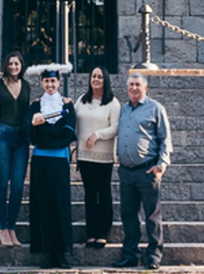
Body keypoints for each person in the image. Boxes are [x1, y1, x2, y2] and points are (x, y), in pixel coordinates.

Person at [115, 70, 171, 269]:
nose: (133, 88)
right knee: (129, 215)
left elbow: (165, 140)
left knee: (152, 216)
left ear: (145, 87)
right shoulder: (123, 109)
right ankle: (130, 255)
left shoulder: (155, 108)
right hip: (126, 172)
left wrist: (162, 164)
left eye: (137, 85)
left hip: (147, 171)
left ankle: (154, 256)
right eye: (131, 85)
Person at [25, 67, 78, 269]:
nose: (50, 85)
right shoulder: (35, 106)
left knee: (60, 205)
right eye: (46, 81)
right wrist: (46, 131)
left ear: (58, 83)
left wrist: (45, 131)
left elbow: (67, 134)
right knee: (43, 205)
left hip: (59, 162)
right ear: (41, 83)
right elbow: (31, 133)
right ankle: (47, 252)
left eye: (53, 82)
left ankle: (61, 253)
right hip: (40, 162)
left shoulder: (68, 106)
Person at [74, 66, 120, 248]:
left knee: (104, 193)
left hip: (103, 157)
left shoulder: (112, 103)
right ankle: (91, 233)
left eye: (100, 77)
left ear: (105, 80)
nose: (96, 79)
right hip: (85, 157)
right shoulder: (82, 100)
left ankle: (103, 232)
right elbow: (72, 114)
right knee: (90, 195)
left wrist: (97, 135)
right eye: (93, 76)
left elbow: (116, 127)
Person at [0, 52, 33, 247]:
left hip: (21, 139)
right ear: (6, 65)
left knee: (17, 184)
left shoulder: (26, 86)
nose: (14, 67)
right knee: (2, 181)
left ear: (21, 65)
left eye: (17, 64)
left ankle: (11, 228)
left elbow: (28, 111)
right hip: (3, 135)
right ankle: (2, 228)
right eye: (10, 64)